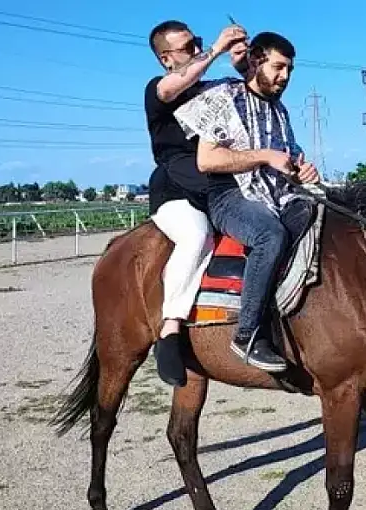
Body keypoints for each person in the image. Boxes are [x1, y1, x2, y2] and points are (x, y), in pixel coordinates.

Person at [173, 32, 320, 373]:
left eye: (290, 70)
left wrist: (301, 170)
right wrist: (267, 156)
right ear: (255, 61)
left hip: (277, 194)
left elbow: (287, 161)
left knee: (320, 216)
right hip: (230, 196)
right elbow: (207, 161)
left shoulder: (280, 110)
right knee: (270, 235)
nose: (285, 76)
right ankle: (248, 333)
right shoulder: (223, 98)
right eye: (278, 67)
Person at [143, 19, 249, 387]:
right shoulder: (158, 89)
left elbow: (252, 91)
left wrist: (242, 64)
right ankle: (170, 329)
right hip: (175, 189)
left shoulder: (211, 88)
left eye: (199, 44)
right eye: (190, 47)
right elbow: (175, 86)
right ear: (166, 59)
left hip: (220, 184)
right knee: (196, 236)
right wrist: (217, 49)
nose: (197, 49)